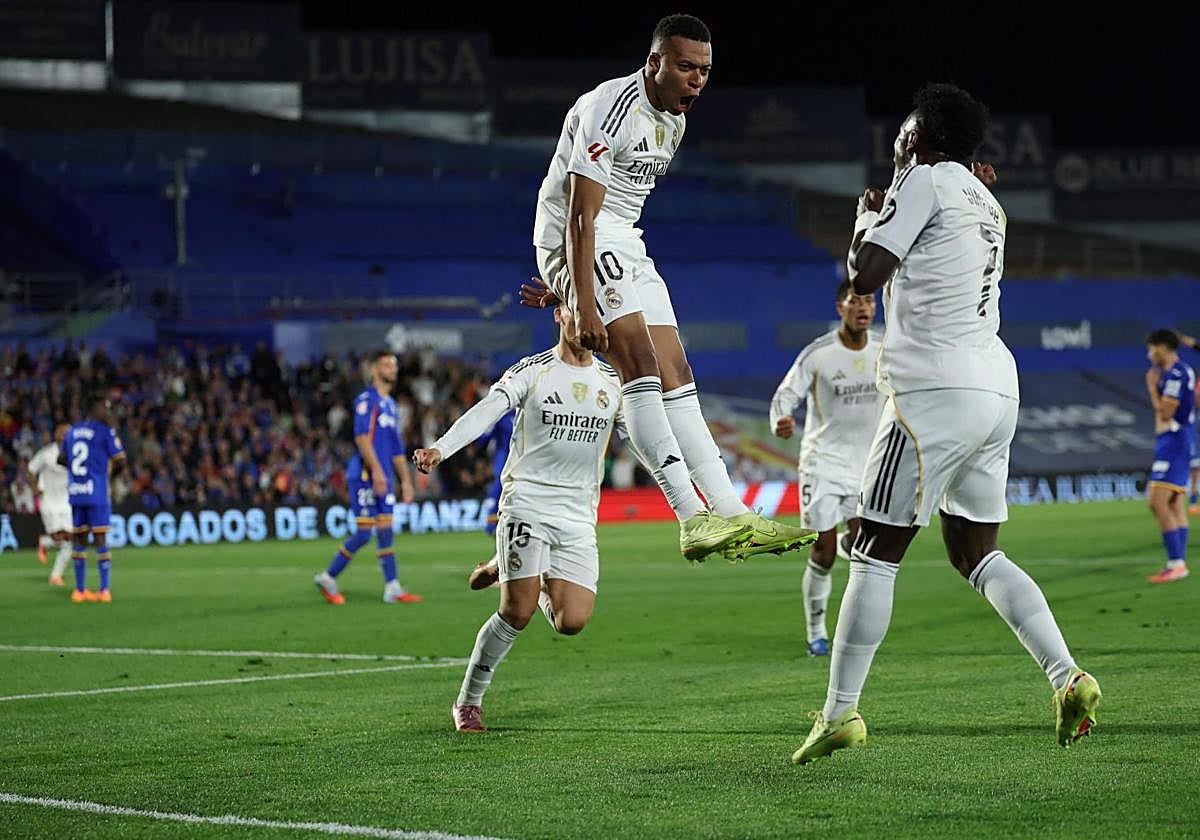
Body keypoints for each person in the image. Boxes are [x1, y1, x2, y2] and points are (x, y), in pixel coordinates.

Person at [793, 83, 1100, 765]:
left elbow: (865, 275)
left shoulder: (924, 179)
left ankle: (840, 713)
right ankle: (1066, 676)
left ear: (921, 134)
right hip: (996, 384)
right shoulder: (984, 199)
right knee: (974, 551)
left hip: (933, 388)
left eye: (903, 132)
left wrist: (863, 220)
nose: (896, 143)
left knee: (871, 551)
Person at [525, 12, 815, 562]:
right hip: (578, 237)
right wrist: (579, 297)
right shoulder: (608, 109)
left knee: (676, 374)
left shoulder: (674, 124)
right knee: (639, 363)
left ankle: (734, 516)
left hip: (625, 241)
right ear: (654, 61)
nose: (697, 80)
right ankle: (690, 516)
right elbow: (581, 217)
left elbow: (620, 214)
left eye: (705, 70)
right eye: (686, 67)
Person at [413, 303, 626, 733]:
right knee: (518, 612)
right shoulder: (534, 371)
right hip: (527, 501)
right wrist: (441, 447)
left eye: (594, 314)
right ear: (559, 317)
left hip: (579, 513)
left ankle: (507, 564)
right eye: (576, 312)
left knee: (572, 622)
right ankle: (468, 702)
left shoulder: (612, 383)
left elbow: (641, 439)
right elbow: (487, 411)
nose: (586, 322)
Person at [770, 281, 882, 657]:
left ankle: (855, 634)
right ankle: (816, 631)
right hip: (822, 465)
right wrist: (781, 420)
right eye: (856, 301)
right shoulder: (818, 354)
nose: (864, 307)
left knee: (866, 548)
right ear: (841, 307)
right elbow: (785, 396)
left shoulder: (885, 351)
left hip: (867, 466)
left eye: (869, 300)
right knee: (823, 554)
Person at [313, 351, 419, 605]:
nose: (392, 369)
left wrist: (405, 480)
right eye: (386, 365)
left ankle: (392, 587)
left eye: (394, 365)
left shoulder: (390, 404)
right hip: (364, 475)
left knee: (385, 531)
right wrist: (379, 473)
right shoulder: (366, 400)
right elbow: (361, 437)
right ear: (374, 370)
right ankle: (328, 577)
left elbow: (396, 449)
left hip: (384, 477)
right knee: (364, 532)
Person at [63, 396, 126, 603]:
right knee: (100, 540)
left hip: (76, 492)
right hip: (96, 492)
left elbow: (61, 458)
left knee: (79, 541)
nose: (108, 412)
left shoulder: (71, 431)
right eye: (105, 408)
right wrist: (106, 475)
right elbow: (121, 460)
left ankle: (79, 591)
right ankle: (104, 590)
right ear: (95, 409)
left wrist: (76, 472)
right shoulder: (104, 432)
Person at [1143, 329, 1195, 583]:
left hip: (1173, 441)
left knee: (1157, 501)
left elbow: (1165, 412)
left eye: (1152, 349)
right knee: (1174, 503)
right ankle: (1178, 563)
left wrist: (1152, 388)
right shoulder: (1181, 372)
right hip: (1176, 441)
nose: (1149, 354)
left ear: (1163, 348)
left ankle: (1176, 563)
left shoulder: (1174, 375)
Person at [28, 425, 73, 586]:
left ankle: (56, 575)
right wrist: (35, 490)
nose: (66, 434)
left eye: (68, 432)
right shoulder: (46, 453)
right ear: (56, 434)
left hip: (68, 501)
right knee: (58, 537)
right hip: (49, 501)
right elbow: (31, 470)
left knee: (69, 539)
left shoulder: (76, 452)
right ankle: (46, 542)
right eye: (63, 432)